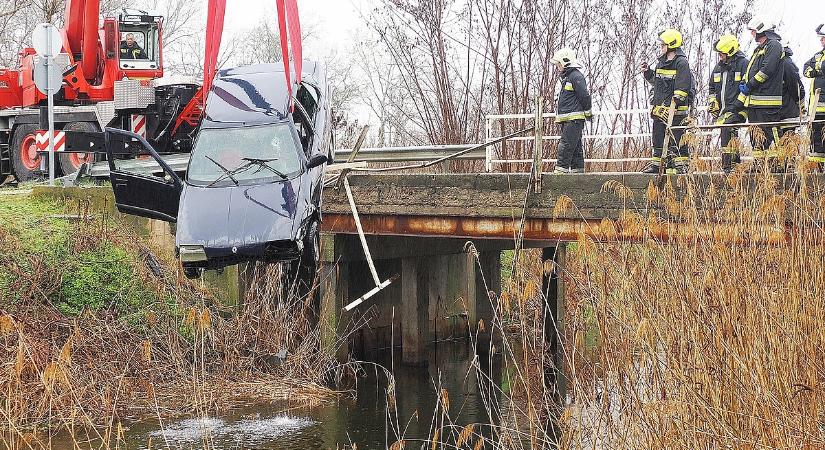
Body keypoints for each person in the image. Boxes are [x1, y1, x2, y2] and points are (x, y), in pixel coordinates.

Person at [641, 29, 695, 174]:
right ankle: (657, 165)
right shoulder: (661, 63)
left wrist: (676, 100)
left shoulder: (681, 63)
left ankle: (681, 165)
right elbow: (658, 82)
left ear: (671, 45)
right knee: (658, 136)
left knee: (677, 137)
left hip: (676, 110)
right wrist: (648, 73)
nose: (661, 47)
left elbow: (683, 85)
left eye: (663, 44)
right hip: (661, 109)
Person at [740, 17, 784, 172]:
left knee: (771, 132)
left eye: (753, 31)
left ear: (761, 30)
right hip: (754, 102)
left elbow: (767, 70)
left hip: (768, 102)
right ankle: (759, 164)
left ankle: (780, 163)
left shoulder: (774, 46)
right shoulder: (759, 48)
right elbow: (751, 69)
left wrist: (750, 84)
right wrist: (744, 83)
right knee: (755, 134)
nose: (752, 34)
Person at [708, 34, 749, 173]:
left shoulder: (743, 64)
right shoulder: (718, 68)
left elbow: (748, 86)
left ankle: (728, 166)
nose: (720, 56)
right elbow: (712, 87)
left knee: (728, 129)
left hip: (739, 109)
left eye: (722, 53)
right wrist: (713, 101)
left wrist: (738, 104)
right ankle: (733, 165)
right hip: (723, 111)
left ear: (730, 51)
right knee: (728, 132)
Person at [551, 47, 592, 173]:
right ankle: (577, 172)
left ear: (565, 62)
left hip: (573, 119)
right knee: (575, 147)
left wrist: (588, 112)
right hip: (569, 119)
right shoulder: (567, 77)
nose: (557, 66)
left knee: (566, 145)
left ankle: (560, 172)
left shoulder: (575, 76)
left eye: (558, 64)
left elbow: (584, 96)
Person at [804, 24, 825, 169]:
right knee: (816, 137)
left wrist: (817, 69)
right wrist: (815, 71)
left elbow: (822, 68)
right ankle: (818, 169)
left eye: (824, 38)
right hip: (816, 107)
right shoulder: (818, 55)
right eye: (821, 39)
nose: (822, 41)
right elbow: (805, 68)